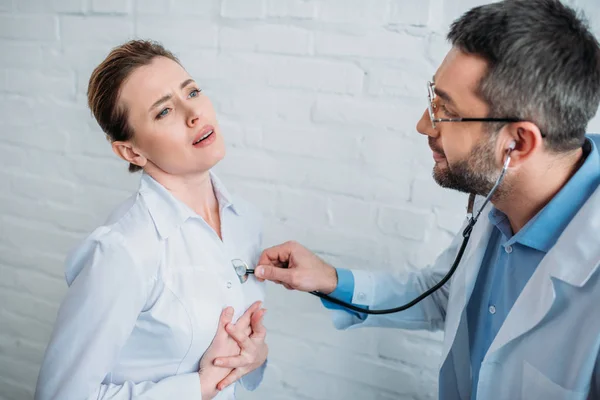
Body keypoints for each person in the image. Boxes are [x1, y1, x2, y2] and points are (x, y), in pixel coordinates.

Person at [254, 0, 600, 398]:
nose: (423, 124)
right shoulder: (499, 191)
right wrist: (329, 280)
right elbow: (447, 295)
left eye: (445, 111)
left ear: (517, 144)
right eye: (432, 99)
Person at [35, 40, 268, 400]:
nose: (194, 113)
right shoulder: (124, 250)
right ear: (132, 151)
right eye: (163, 112)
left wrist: (254, 358)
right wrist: (199, 387)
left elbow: (239, 363)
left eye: (191, 91)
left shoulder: (245, 221)